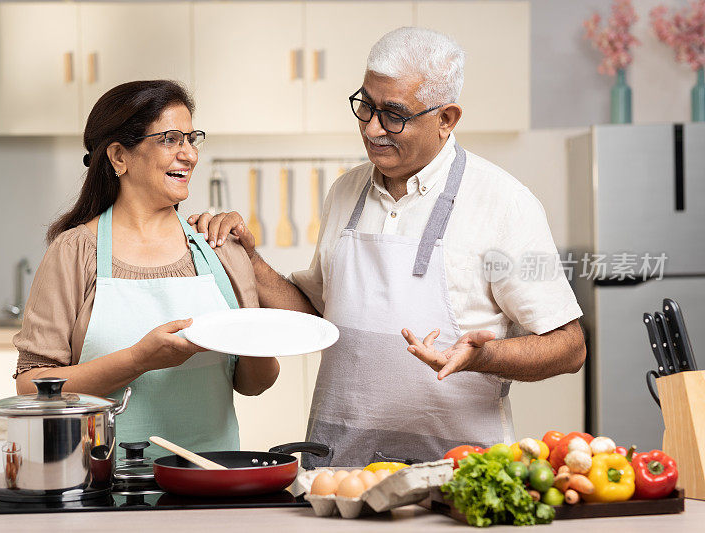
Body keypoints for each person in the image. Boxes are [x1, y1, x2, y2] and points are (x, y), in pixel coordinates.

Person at [189, 28, 587, 467]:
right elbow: (317, 314)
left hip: (459, 472)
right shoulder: (345, 191)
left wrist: (483, 356)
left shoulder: (503, 202)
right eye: (366, 106)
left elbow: (569, 346)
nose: (373, 128)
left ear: (447, 118)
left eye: (394, 114)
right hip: (341, 467)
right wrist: (248, 257)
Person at [13, 80, 279, 453]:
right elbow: (31, 388)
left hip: (211, 483)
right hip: (101, 484)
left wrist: (259, 332)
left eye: (191, 138)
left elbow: (255, 383)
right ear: (119, 157)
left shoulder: (219, 248)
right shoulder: (74, 251)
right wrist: (137, 360)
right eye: (170, 139)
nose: (189, 154)